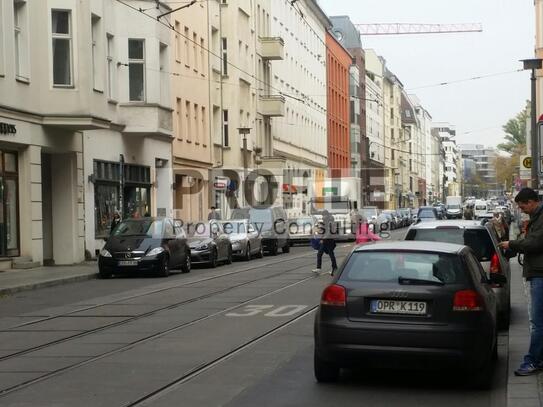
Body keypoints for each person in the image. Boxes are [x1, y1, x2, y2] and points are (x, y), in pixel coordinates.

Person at [499, 188, 543, 376]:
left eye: (522, 205)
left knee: (537, 322)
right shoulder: (536, 217)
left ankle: (533, 361)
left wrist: (512, 244)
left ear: (532, 201)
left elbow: (535, 243)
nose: (521, 209)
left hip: (540, 274)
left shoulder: (540, 218)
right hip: (538, 272)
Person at [313, 210, 338, 275]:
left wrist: (323, 239)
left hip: (329, 240)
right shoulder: (326, 221)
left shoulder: (330, 221)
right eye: (322, 215)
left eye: (323, 215)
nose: (322, 217)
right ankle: (319, 268)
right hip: (326, 240)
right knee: (320, 253)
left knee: (331, 254)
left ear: (326, 215)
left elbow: (328, 232)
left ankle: (334, 267)